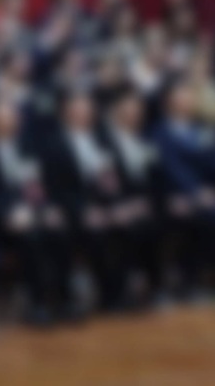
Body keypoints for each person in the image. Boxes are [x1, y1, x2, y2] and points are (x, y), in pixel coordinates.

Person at [0, 100, 71, 324]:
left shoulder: (28, 146)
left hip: (32, 210)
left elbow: (37, 185)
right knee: (30, 238)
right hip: (0, 220)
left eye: (11, 117)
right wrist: (6, 214)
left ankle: (64, 299)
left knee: (58, 231)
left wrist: (46, 209)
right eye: (1, 117)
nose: (8, 121)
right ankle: (38, 304)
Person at [32, 90, 123, 310]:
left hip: (101, 206)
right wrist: (84, 210)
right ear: (66, 112)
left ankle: (114, 295)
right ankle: (65, 298)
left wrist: (111, 207)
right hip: (69, 208)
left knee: (128, 225)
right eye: (78, 107)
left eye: (87, 107)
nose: (84, 112)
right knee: (66, 234)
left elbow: (111, 180)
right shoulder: (52, 143)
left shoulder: (103, 139)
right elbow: (53, 188)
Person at [153, 79, 215, 298]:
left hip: (207, 192)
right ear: (169, 100)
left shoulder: (203, 129)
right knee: (201, 219)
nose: (188, 100)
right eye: (182, 95)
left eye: (190, 95)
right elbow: (170, 168)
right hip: (173, 195)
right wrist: (195, 193)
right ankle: (188, 280)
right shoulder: (160, 132)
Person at [99, 87, 162, 304]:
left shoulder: (146, 138)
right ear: (116, 110)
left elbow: (155, 178)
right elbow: (103, 179)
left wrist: (146, 202)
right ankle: (124, 288)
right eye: (129, 107)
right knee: (130, 227)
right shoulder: (103, 140)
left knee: (156, 222)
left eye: (137, 107)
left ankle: (153, 285)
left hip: (146, 203)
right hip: (117, 205)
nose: (134, 112)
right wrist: (119, 205)